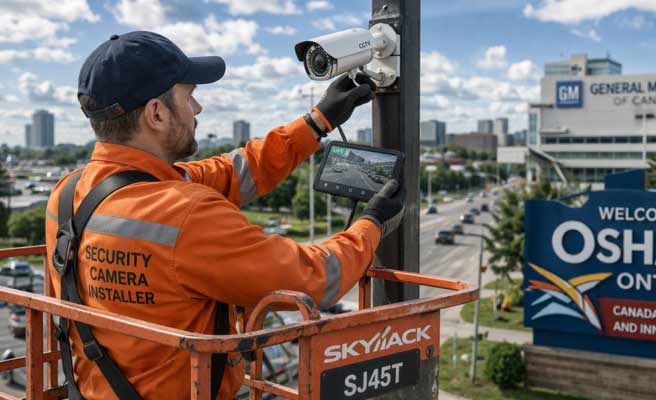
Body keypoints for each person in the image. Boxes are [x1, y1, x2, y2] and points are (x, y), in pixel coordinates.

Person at [44, 31, 404, 400]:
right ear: (156, 113)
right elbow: (313, 278)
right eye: (189, 97)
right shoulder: (185, 213)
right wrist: (372, 224)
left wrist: (316, 122)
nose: (197, 109)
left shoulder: (67, 194)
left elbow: (235, 172)